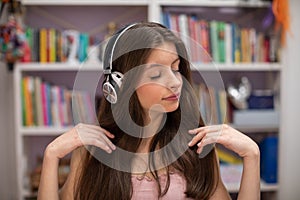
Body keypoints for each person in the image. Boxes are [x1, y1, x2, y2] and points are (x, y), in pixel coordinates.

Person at [37, 22, 260, 200]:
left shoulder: (197, 145)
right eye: (156, 75)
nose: (175, 83)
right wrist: (52, 153)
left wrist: (252, 155)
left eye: (176, 68)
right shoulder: (92, 151)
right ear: (119, 85)